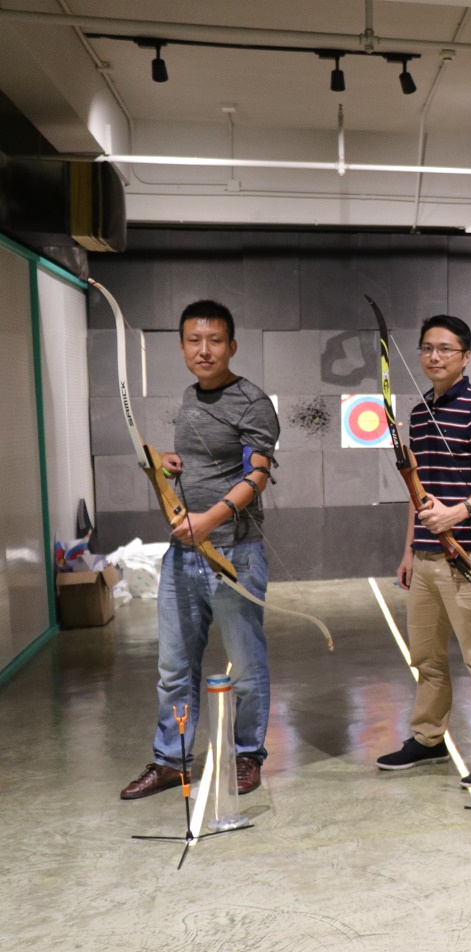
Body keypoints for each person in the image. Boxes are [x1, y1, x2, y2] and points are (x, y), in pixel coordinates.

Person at [121, 301, 280, 800]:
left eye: (214, 341)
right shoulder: (191, 396)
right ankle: (171, 760)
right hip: (184, 554)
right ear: (182, 346)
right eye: (194, 340)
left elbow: (257, 475)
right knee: (173, 667)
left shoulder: (253, 402)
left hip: (234, 553)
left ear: (231, 346)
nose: (204, 350)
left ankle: (247, 755)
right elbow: (203, 462)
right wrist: (168, 462)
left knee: (245, 666)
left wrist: (210, 519)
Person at [374, 315, 471, 788]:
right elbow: (417, 490)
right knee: (426, 659)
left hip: (468, 555)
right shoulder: (419, 413)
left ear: (465, 356)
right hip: (426, 557)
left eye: (445, 349)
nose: (434, 357)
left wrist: (457, 514)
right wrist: (409, 549)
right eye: (427, 348)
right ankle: (428, 737)